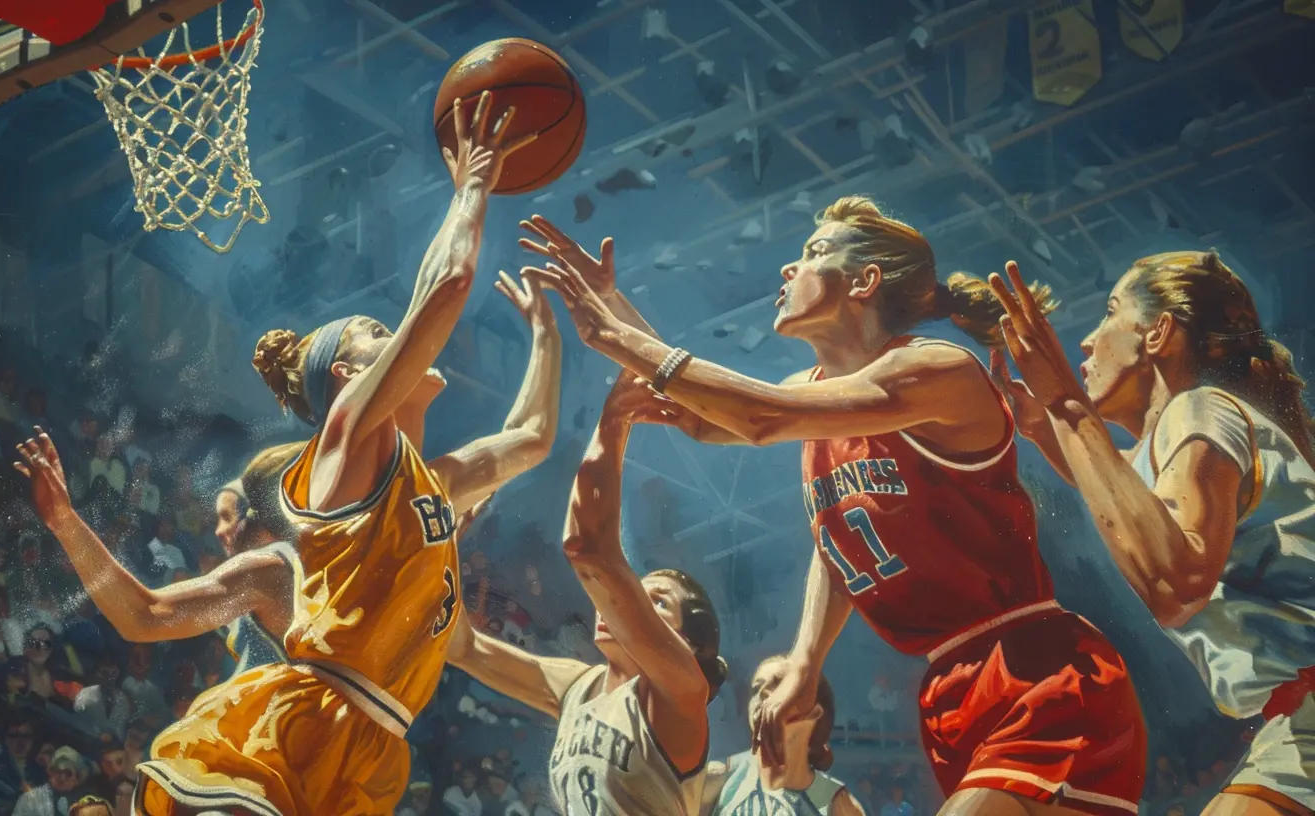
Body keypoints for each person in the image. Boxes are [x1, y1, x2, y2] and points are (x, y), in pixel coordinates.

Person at [521, 200, 1147, 815]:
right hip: (950, 687)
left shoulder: (937, 370)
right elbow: (701, 412)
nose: (789, 268)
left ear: (864, 282)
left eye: (813, 253)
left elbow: (758, 416)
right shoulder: (814, 396)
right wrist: (612, 303)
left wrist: (612, 335)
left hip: (1039, 667)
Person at [126, 92, 551, 816]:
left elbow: (534, 436)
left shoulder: (427, 485)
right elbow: (446, 287)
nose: (399, 336)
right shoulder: (348, 431)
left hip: (375, 737)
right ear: (349, 377)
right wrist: (474, 187)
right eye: (379, 333)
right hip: (310, 717)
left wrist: (547, 334)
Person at [990, 253, 1315, 816]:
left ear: (1159, 333)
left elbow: (1175, 581)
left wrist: (1065, 403)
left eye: (1110, 312)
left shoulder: (1200, 410)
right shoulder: (1188, 432)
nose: (1086, 341)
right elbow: (1130, 501)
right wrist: (1046, 424)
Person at [449, 374, 727, 815]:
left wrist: (613, 422)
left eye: (657, 601)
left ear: (687, 646)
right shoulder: (580, 687)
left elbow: (589, 550)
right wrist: (444, 550)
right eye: (637, 593)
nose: (627, 602)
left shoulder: (680, 691)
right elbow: (463, 647)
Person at [17, 439, 302, 671]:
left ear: (265, 519)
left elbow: (141, 617)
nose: (218, 532)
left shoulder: (270, 571)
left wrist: (63, 519)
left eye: (228, 518)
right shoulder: (298, 570)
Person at [703, 655, 863, 816]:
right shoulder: (720, 779)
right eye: (756, 689)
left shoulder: (838, 804)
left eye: (780, 688)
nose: (762, 694)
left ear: (814, 713)